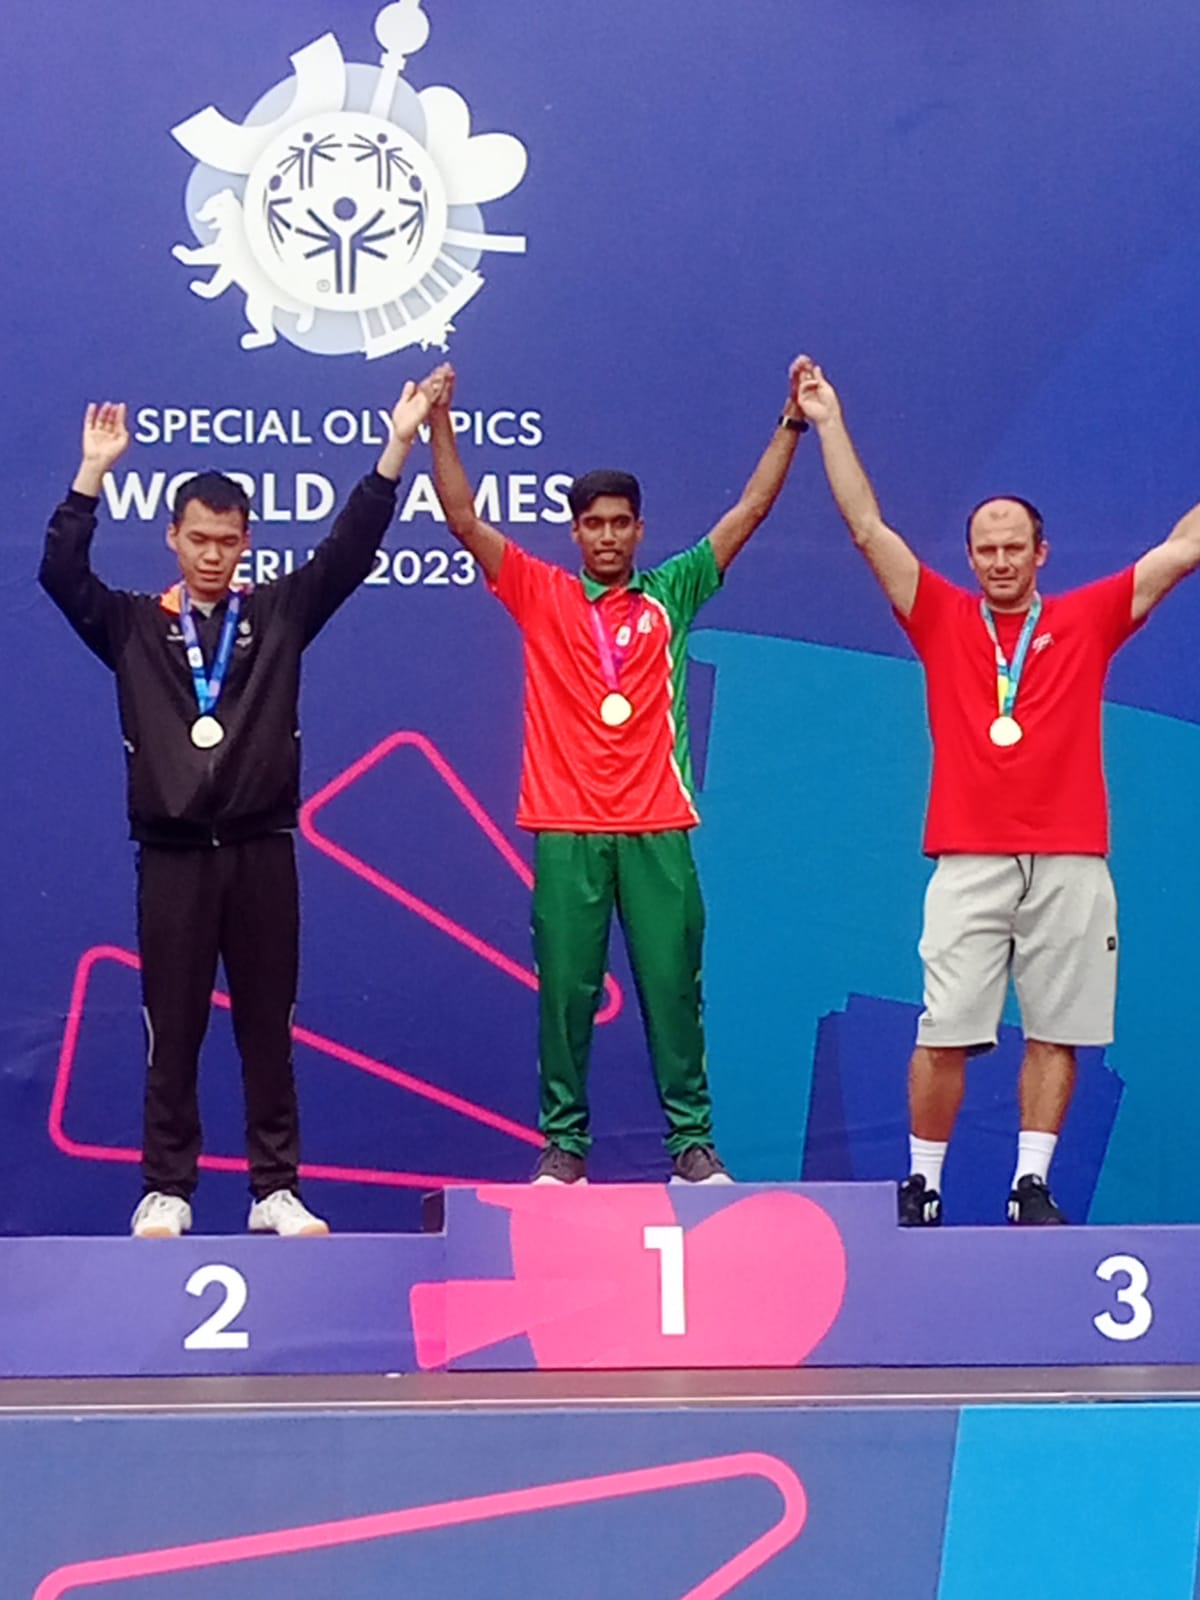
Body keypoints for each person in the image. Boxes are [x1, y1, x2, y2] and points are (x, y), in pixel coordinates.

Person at [796, 356, 1200, 1224]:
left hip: (1070, 859)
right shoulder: (940, 615)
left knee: (1057, 1031)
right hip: (970, 857)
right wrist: (828, 423)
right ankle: (925, 1185)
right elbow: (868, 528)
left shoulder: (1086, 618)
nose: (1001, 561)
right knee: (944, 1031)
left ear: (1041, 552)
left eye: (1016, 547)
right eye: (986, 548)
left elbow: (1186, 546)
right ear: (971, 555)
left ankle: (1030, 1186)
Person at [39, 384, 431, 1237]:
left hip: (261, 850)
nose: (213, 555)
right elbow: (59, 576)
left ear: (246, 541)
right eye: (199, 540)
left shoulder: (279, 615)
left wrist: (395, 449)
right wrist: (90, 476)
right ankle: (167, 1189)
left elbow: (349, 552)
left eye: (228, 540)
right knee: (171, 1028)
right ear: (173, 539)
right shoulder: (134, 625)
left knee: (267, 1026)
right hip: (173, 855)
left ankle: (274, 1190)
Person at [423, 358, 808, 1184]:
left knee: (674, 992)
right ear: (574, 531)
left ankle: (692, 1146)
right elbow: (461, 516)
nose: (606, 535)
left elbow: (750, 510)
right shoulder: (539, 591)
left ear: (639, 530)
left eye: (620, 523)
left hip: (658, 826)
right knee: (565, 998)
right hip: (567, 828)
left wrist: (791, 425)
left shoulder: (673, 591)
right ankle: (563, 1147)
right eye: (592, 523)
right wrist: (440, 422)